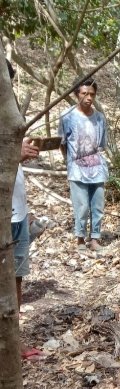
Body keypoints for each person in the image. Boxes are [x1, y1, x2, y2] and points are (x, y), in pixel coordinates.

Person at [7, 59, 45, 361]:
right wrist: (12, 154)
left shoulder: (9, 116)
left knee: (16, 279)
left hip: (16, 212)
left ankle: (13, 341)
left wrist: (20, 155)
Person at [58, 77, 109, 253]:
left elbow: (101, 143)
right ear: (76, 94)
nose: (88, 97)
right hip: (77, 169)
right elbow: (62, 143)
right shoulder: (67, 117)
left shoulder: (100, 118)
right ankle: (80, 239)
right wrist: (70, 162)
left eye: (92, 94)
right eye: (84, 93)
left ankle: (95, 238)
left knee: (97, 206)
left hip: (97, 168)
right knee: (81, 206)